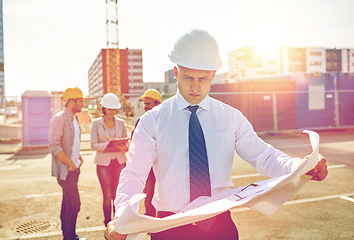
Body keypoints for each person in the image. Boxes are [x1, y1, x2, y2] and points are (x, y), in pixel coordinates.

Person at [105, 29, 328, 240]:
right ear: (176, 72)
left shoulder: (231, 118)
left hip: (219, 226)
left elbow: (264, 156)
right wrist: (121, 216)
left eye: (202, 79)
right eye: (188, 77)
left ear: (213, 74)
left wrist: (301, 166)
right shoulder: (152, 121)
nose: (195, 87)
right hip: (169, 228)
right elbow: (134, 173)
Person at [49, 87, 86, 240]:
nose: (82, 104)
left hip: (74, 168)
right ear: (71, 101)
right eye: (80, 101)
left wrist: (79, 157)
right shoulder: (59, 119)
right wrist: (71, 163)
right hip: (66, 170)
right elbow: (54, 146)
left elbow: (71, 143)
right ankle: (70, 237)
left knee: (67, 203)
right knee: (74, 204)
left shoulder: (73, 118)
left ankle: (68, 235)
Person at [90, 93, 129, 227]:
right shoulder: (95, 124)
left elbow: (127, 144)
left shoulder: (121, 123)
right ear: (104, 108)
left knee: (117, 195)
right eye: (109, 108)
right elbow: (93, 145)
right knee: (107, 196)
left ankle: (118, 224)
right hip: (103, 164)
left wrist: (124, 147)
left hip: (119, 162)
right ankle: (108, 224)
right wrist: (107, 146)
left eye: (114, 109)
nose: (112, 111)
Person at [132, 89, 162, 217]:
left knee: (166, 192)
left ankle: (165, 220)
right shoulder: (141, 120)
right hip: (148, 165)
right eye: (144, 104)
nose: (145, 107)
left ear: (156, 104)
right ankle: (150, 218)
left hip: (163, 163)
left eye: (148, 104)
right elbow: (134, 140)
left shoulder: (166, 120)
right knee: (148, 193)